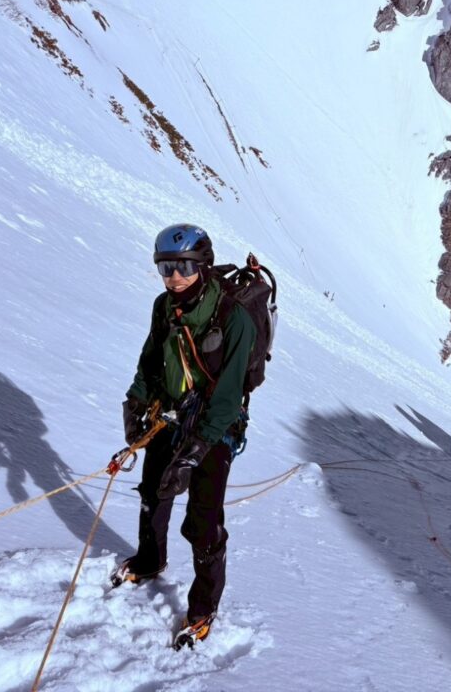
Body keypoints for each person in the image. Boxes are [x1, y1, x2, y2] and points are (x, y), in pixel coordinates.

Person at [118, 224, 257, 650]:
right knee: (153, 492)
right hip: (171, 414)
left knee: (204, 519)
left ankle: (202, 607)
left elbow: (230, 395)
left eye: (183, 267)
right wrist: (136, 404)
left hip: (217, 426)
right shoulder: (164, 307)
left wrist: (195, 451)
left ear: (203, 265)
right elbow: (150, 361)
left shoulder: (234, 318)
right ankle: (149, 559)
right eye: (166, 267)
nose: (174, 276)